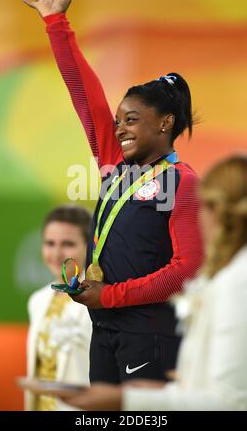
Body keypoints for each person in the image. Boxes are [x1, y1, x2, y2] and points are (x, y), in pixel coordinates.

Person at [22, 0, 203, 383]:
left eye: (132, 119)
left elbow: (185, 271)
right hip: (104, 330)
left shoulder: (183, 183)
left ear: (165, 122)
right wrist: (56, 24)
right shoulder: (114, 164)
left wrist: (110, 296)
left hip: (150, 335)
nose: (119, 128)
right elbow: (86, 98)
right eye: (119, 120)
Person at [56, 154, 247, 411]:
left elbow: (229, 402)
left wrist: (128, 400)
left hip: (145, 334)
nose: (198, 216)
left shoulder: (236, 284)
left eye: (204, 205)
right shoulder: (228, 277)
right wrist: (166, 392)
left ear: (221, 212)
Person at [25, 204, 92, 411]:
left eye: (68, 244)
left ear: (89, 246)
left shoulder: (99, 299)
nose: (57, 253)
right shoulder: (37, 300)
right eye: (50, 243)